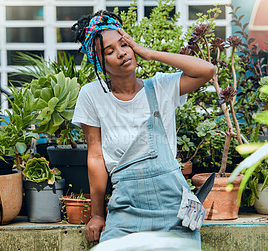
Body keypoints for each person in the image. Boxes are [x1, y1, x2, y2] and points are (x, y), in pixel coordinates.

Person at [71, 10, 214, 246]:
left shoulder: (161, 87)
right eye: (109, 51)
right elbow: (95, 156)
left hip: (174, 209)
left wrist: (148, 53)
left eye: (124, 44)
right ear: (100, 62)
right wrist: (97, 214)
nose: (121, 53)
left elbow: (207, 71)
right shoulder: (92, 95)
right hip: (125, 209)